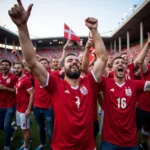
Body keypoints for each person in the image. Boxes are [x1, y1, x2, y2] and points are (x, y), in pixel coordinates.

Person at [8, 1, 108, 149]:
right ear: (62, 66)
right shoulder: (55, 85)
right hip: (61, 146)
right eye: (69, 60)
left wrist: (94, 30)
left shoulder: (89, 82)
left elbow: (102, 58)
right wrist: (22, 27)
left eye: (76, 60)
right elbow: (31, 61)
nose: (74, 62)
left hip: (88, 146)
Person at [99, 55, 150, 150]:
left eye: (123, 63)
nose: (120, 64)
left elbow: (148, 85)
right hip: (109, 140)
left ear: (126, 68)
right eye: (117, 63)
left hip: (130, 141)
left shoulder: (134, 84)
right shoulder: (105, 82)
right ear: (112, 67)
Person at [33, 58, 53, 150]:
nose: (43, 64)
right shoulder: (34, 73)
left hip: (49, 108)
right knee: (40, 127)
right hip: (37, 107)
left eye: (45, 63)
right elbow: (25, 64)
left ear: (48, 65)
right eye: (41, 63)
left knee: (49, 130)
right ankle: (43, 143)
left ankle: (53, 146)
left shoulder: (52, 74)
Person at [14, 62, 34, 150]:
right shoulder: (19, 79)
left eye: (18, 68)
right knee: (24, 128)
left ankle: (26, 147)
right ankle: (28, 139)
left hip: (24, 109)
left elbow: (32, 94)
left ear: (22, 69)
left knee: (24, 129)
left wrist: (29, 109)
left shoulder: (26, 80)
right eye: (15, 68)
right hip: (19, 108)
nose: (16, 70)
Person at [0, 59, 18, 150]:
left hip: (10, 105)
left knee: (6, 125)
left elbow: (16, 91)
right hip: (0, 105)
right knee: (1, 126)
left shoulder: (14, 77)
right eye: (2, 65)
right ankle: (13, 130)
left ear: (9, 67)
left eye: (6, 65)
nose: (4, 66)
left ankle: (7, 145)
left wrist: (4, 88)